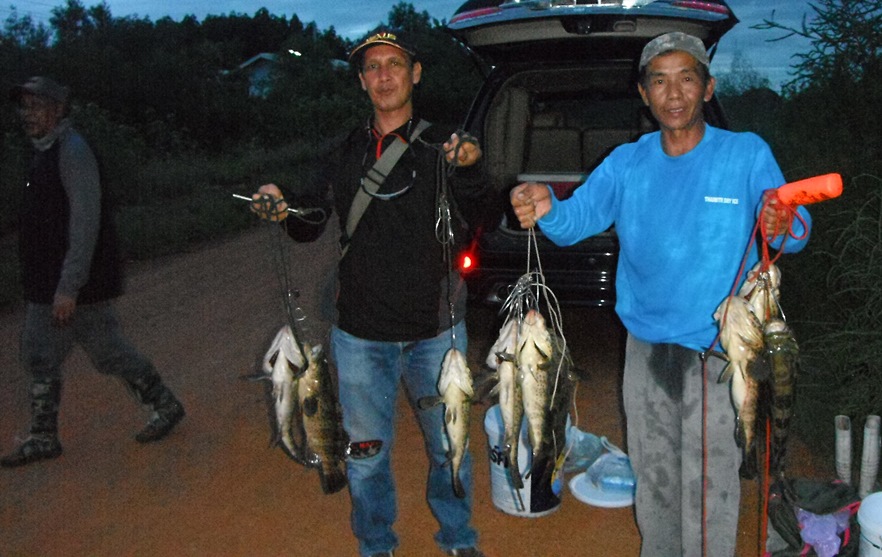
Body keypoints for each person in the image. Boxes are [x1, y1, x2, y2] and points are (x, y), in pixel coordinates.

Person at [510, 32, 812, 557]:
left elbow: (794, 228)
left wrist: (782, 219)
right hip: (645, 351)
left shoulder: (744, 153)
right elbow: (576, 218)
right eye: (659, 81)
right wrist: (545, 206)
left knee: (710, 487)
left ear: (708, 87)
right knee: (654, 478)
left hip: (718, 354)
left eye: (687, 78)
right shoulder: (627, 163)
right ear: (644, 94)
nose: (674, 93)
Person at [249, 29, 488, 557]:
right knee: (366, 454)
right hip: (359, 335)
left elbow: (484, 210)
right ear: (361, 81)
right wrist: (281, 205)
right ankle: (376, 544)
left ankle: (458, 538)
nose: (384, 75)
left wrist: (469, 169)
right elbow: (309, 223)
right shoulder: (343, 150)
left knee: (451, 447)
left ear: (415, 73)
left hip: (437, 331)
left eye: (394, 64)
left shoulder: (446, 144)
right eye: (373, 67)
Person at [1, 76, 186, 468]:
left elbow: (86, 222)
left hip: (74, 284)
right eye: (24, 107)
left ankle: (46, 436)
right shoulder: (43, 152)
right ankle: (160, 405)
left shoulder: (73, 151)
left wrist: (69, 286)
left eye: (36, 106)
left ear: (58, 109)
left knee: (81, 351)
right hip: (53, 282)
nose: (27, 114)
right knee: (70, 352)